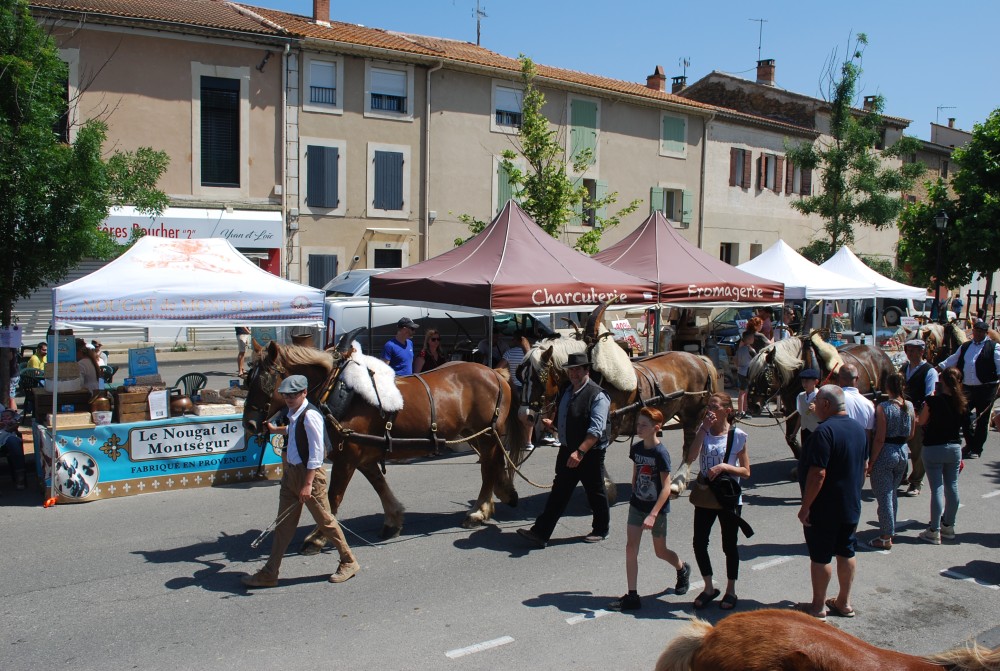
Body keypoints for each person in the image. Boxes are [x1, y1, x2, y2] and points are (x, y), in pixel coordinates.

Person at [241, 375, 359, 588]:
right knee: (283, 526)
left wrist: (307, 484)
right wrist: (279, 430)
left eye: (293, 395)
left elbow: (316, 453)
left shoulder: (310, 415)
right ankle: (270, 573)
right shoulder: (295, 414)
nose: (288, 398)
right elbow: (296, 431)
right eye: (286, 395)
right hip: (292, 476)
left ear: (304, 392)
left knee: (326, 522)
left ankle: (348, 561)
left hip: (309, 476)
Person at [516, 352, 611, 548]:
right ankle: (540, 533)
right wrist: (554, 426)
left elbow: (596, 431)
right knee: (559, 492)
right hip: (568, 450)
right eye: (571, 370)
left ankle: (601, 529)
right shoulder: (568, 390)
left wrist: (580, 452)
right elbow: (569, 418)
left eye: (578, 369)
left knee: (595, 492)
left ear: (587, 370)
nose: (574, 373)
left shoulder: (598, 395)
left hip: (589, 453)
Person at [795, 384, 866, 621]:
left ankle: (818, 607)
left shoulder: (823, 432)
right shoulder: (858, 429)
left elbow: (818, 474)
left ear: (827, 404)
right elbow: (863, 466)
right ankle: (844, 602)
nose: (813, 406)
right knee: (846, 550)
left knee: (821, 556)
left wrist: (806, 507)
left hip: (825, 507)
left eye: (817, 402)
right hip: (850, 504)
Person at [611, 407, 691, 611]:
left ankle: (682, 568)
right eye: (638, 424)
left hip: (657, 510)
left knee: (660, 551)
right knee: (631, 548)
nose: (639, 428)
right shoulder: (637, 449)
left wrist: (653, 514)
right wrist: (633, 493)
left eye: (643, 425)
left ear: (657, 428)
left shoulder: (660, 453)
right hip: (637, 505)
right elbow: (636, 473)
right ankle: (632, 595)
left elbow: (666, 487)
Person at [683, 392, 751, 611]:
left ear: (726, 410)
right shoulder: (703, 432)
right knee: (699, 542)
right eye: (708, 406)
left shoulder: (737, 435)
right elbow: (691, 457)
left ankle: (731, 590)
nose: (710, 410)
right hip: (704, 495)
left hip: (728, 497)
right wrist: (703, 429)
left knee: (729, 545)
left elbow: (746, 471)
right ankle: (709, 587)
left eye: (715, 406)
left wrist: (724, 467)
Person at [916, 367, 966, 544]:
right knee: (952, 486)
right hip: (954, 447)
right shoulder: (961, 402)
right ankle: (949, 525)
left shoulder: (933, 401)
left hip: (933, 447)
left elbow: (921, 421)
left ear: (942, 381)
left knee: (936, 488)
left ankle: (934, 529)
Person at [936, 319, 1000, 459]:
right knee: (963, 416)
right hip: (967, 388)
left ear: (985, 333)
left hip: (986, 388)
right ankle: (970, 444)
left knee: (982, 420)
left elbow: (999, 365)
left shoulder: (993, 347)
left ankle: (977, 448)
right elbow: (952, 359)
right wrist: (938, 368)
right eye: (975, 331)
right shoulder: (966, 346)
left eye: (980, 331)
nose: (977, 334)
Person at [865, 373, 914, 550]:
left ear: (888, 387)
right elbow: (911, 434)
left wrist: (871, 461)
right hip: (902, 450)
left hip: (886, 451)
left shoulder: (884, 408)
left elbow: (879, 438)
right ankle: (890, 527)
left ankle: (886, 536)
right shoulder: (909, 406)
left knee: (884, 495)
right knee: (891, 492)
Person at [900, 339, 937, 497]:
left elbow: (930, 396)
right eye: (908, 350)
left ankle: (916, 482)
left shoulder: (929, 371)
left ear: (922, 352)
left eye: (914, 350)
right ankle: (901, 475)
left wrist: (919, 415)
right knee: (899, 447)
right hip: (902, 413)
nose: (910, 353)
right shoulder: (904, 368)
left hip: (917, 414)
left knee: (917, 450)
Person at [838, 364, 874, 443]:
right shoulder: (869, 404)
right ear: (857, 378)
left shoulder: (835, 399)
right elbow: (868, 434)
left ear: (839, 378)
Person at [0, 409, 27, 491]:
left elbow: (16, 418)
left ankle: (20, 476)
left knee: (13, 442)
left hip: (7, 435)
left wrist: (11, 425)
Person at [796, 369, 821, 447]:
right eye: (803, 381)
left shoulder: (821, 396)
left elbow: (826, 417)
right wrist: (794, 432)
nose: (804, 384)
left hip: (817, 430)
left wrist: (815, 410)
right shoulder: (800, 396)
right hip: (804, 430)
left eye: (807, 381)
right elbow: (801, 415)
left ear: (816, 382)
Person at [735, 331, 755, 419]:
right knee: (743, 392)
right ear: (749, 339)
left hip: (740, 371)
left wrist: (738, 368)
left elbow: (735, 360)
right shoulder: (750, 350)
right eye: (752, 338)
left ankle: (743, 410)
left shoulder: (740, 349)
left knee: (743, 392)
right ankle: (741, 411)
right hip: (747, 372)